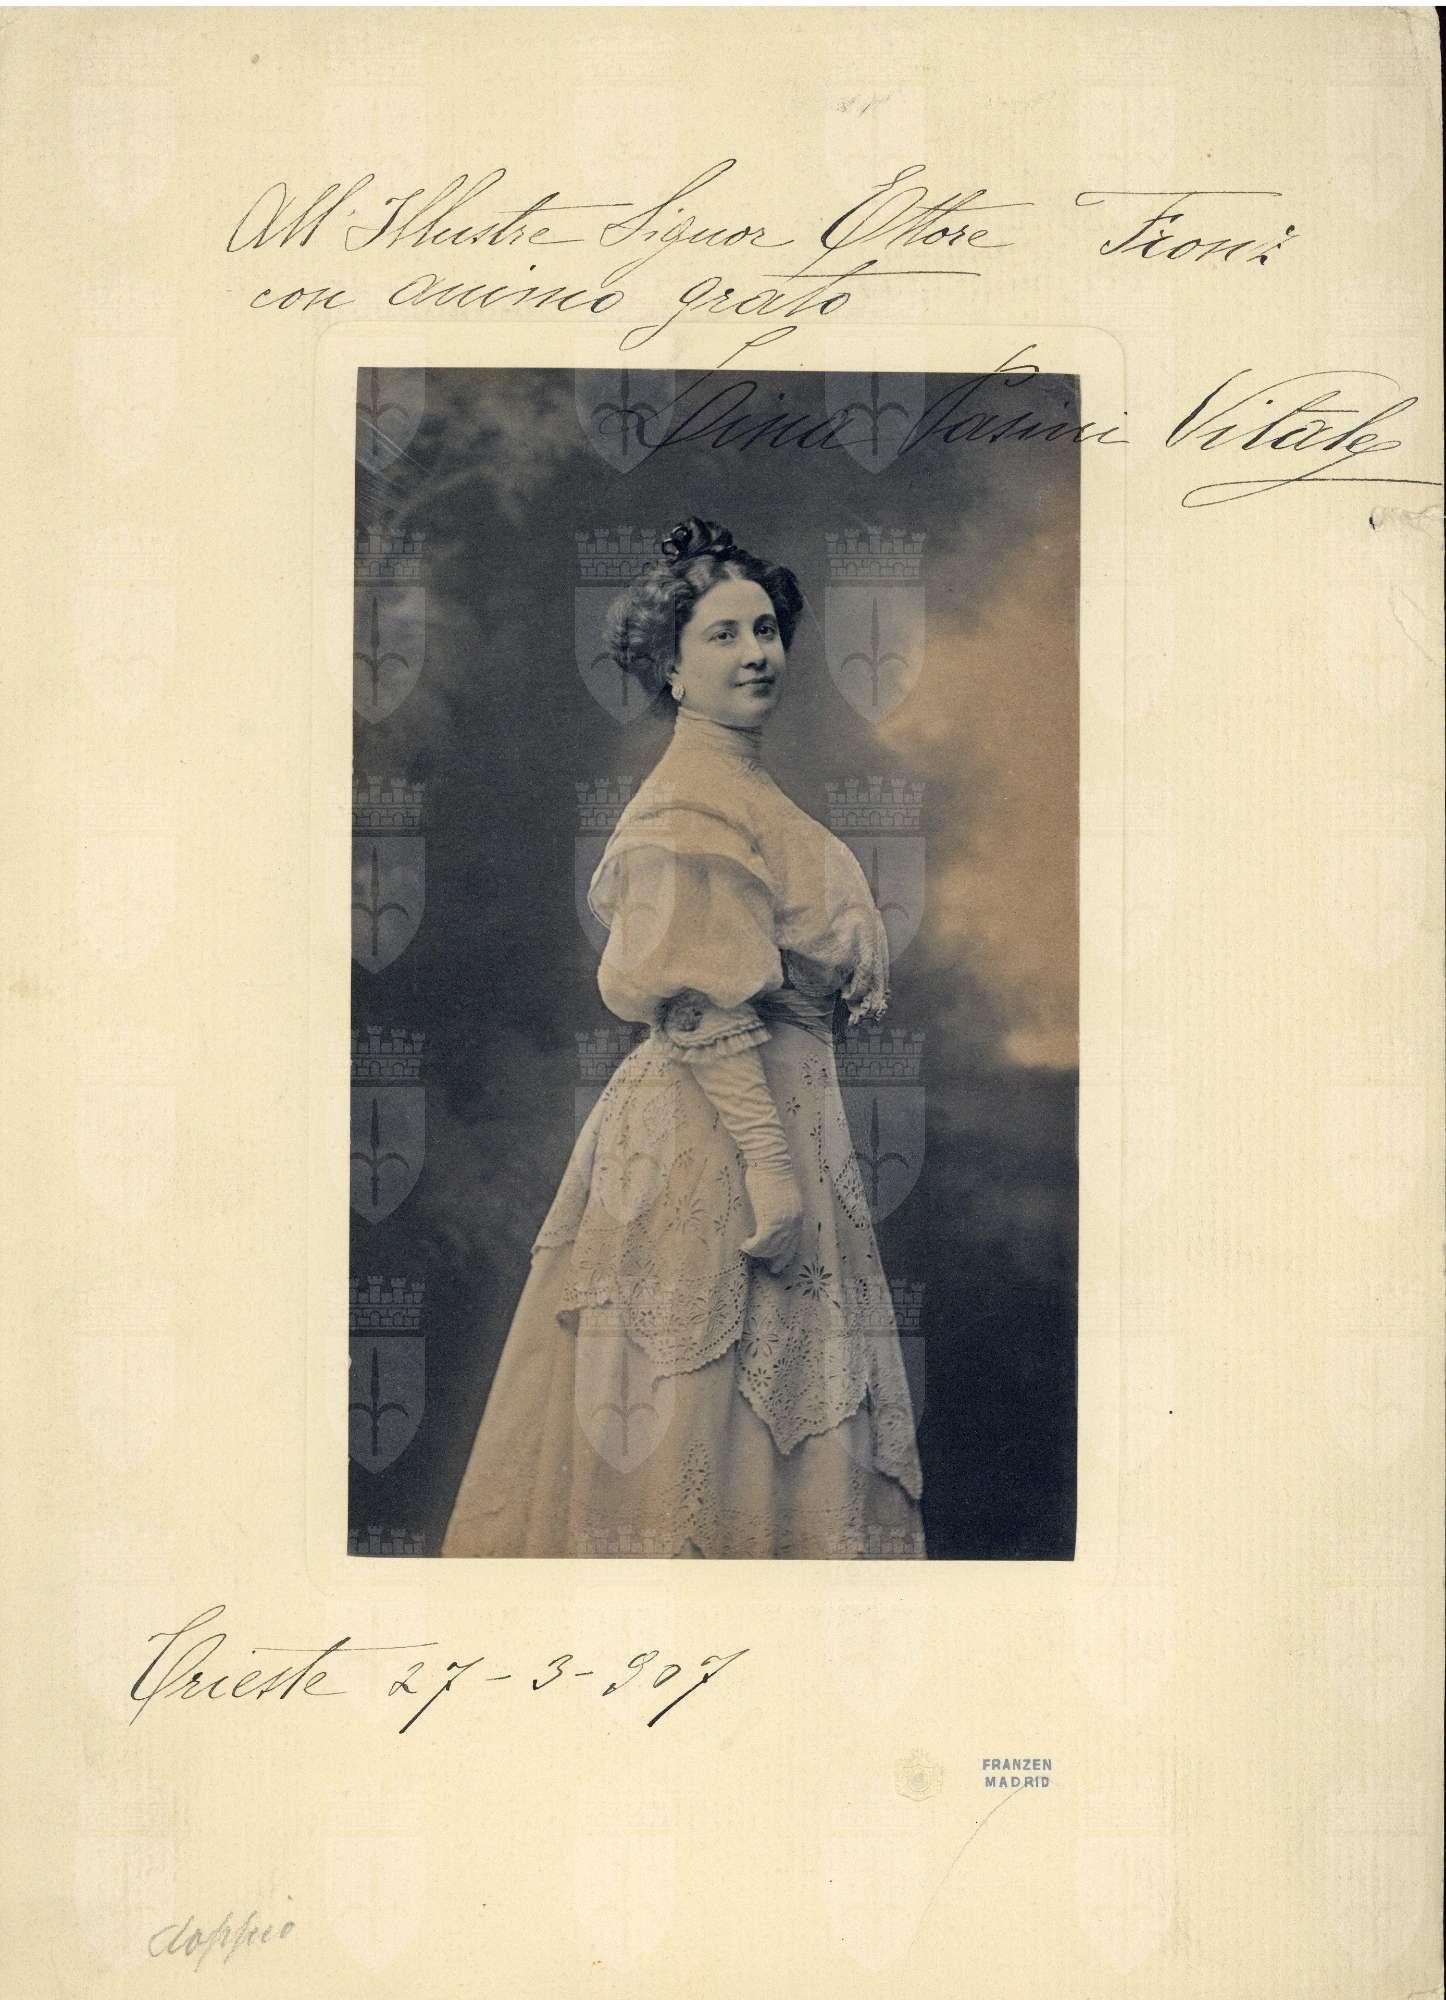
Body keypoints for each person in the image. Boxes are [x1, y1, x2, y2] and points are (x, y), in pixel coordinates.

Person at [441, 517, 924, 1558]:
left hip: (784, 1128)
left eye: (766, 629)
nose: (756, 653)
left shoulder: (749, 791)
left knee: (768, 1428)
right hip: (718, 1138)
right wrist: (771, 1169)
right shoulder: (687, 806)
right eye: (722, 635)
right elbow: (699, 1003)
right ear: (669, 666)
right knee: (689, 1415)